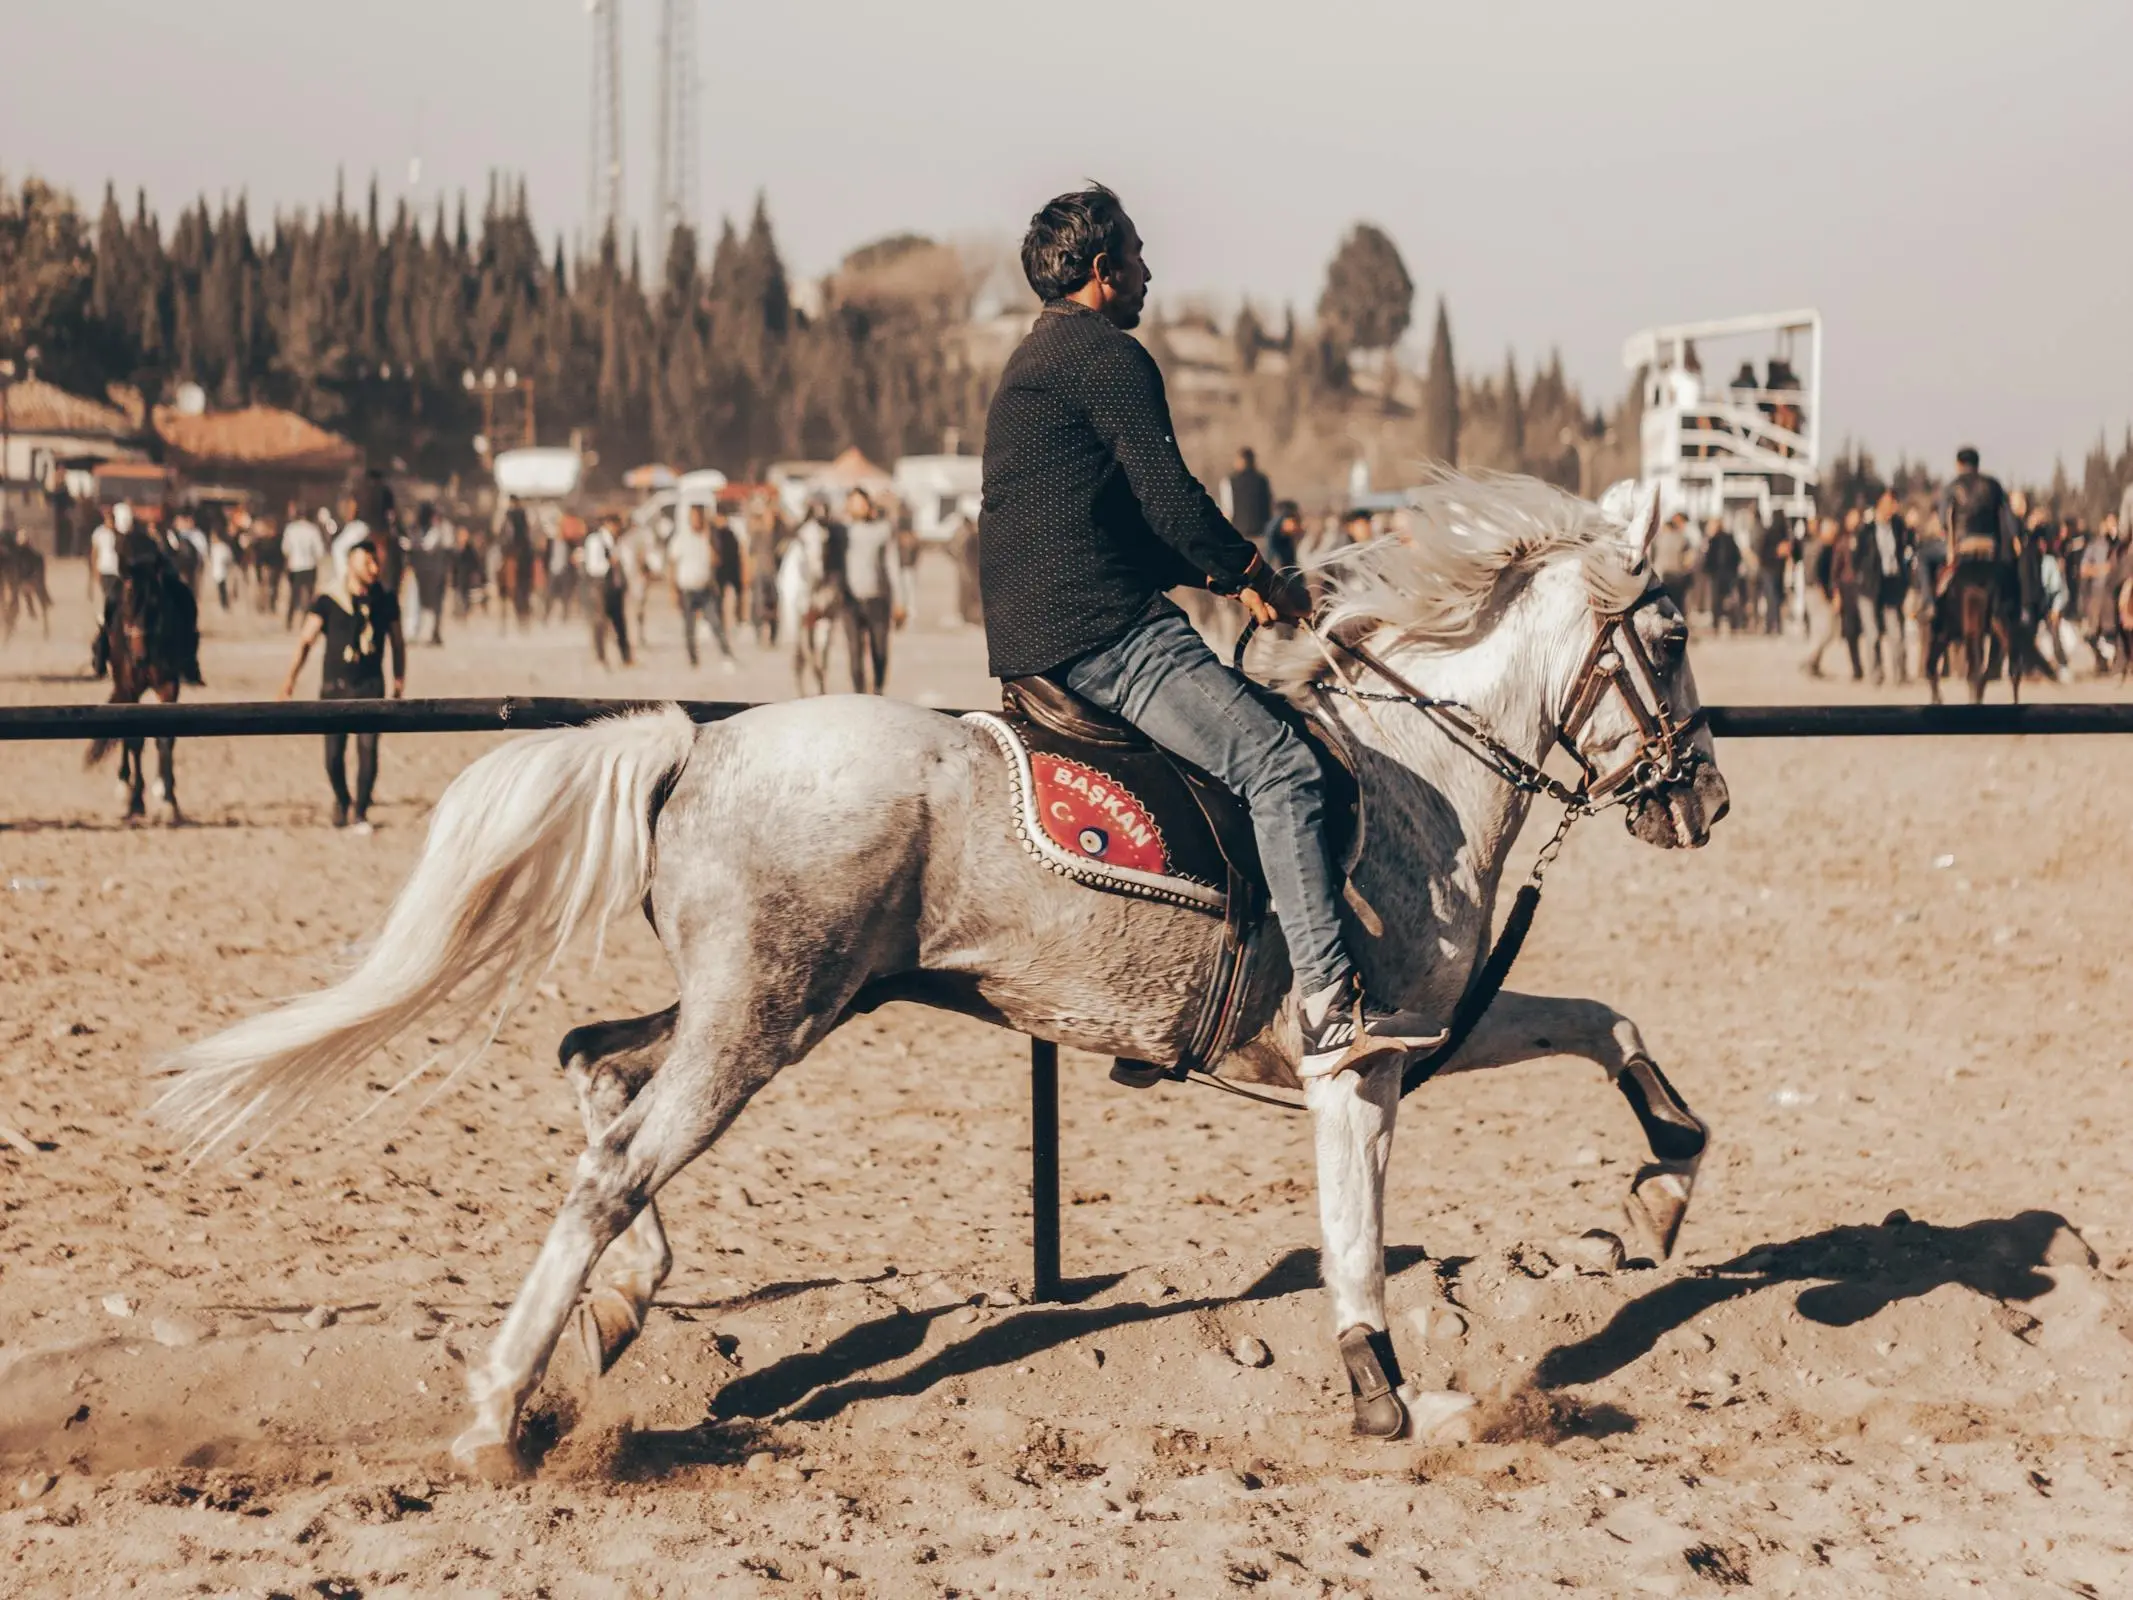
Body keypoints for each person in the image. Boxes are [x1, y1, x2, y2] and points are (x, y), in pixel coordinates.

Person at [977, 182, 1445, 1078]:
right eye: (1139, 257)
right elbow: (1172, 500)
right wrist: (1251, 574)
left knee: (1202, 774)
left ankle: (1168, 998)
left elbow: (1121, 524)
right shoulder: (1108, 356)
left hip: (1036, 632)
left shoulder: (1035, 357)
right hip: (1100, 631)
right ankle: (1333, 1007)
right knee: (1279, 766)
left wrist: (1223, 578)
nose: (1151, 274)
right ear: (1102, 271)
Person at [279, 536, 406, 834]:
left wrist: (399, 680)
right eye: (367, 562)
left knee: (368, 751)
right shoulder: (328, 599)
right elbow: (306, 641)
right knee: (333, 756)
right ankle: (341, 799)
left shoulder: (385, 600)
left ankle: (360, 811)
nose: (374, 568)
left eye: (376, 562)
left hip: (370, 686)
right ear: (350, 563)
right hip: (334, 688)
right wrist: (290, 679)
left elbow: (398, 643)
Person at [841, 487, 898, 693]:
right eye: (853, 502)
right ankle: (859, 694)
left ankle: (879, 688)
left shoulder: (882, 530)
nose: (858, 507)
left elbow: (892, 565)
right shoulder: (841, 531)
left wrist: (900, 601)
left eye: (861, 502)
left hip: (877, 598)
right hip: (849, 601)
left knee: (880, 650)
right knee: (855, 653)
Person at [671, 502, 734, 670]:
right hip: (687, 588)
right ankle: (693, 660)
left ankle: (726, 654)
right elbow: (672, 564)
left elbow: (716, 560)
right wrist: (673, 590)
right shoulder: (682, 538)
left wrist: (709, 539)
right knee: (689, 628)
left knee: (715, 622)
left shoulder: (709, 537)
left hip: (705, 588)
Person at [1860, 489, 1912, 683]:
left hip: (1891, 584)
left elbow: (1905, 550)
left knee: (1896, 633)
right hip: (1870, 586)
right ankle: (1875, 675)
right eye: (1890, 503)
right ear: (1880, 504)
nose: (1894, 507)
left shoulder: (1898, 527)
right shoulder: (1866, 530)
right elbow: (1858, 557)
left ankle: (1900, 675)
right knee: (1872, 634)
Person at [581, 513, 633, 667]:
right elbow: (593, 566)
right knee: (600, 623)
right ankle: (600, 657)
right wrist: (609, 563)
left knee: (620, 623)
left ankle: (626, 657)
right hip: (600, 586)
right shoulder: (595, 541)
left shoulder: (617, 541)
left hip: (615, 587)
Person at [409, 502, 452, 645]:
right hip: (429, 572)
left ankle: (433, 633)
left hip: (432, 572)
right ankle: (429, 633)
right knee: (429, 605)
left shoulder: (437, 530)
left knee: (433, 605)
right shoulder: (429, 530)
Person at [282, 505, 325, 626]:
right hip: (309, 566)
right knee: (309, 596)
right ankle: (305, 621)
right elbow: (319, 551)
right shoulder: (313, 530)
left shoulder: (290, 529)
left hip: (295, 566)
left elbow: (285, 549)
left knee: (294, 595)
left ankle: (289, 621)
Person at [1221, 447, 1274, 543]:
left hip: (1240, 535)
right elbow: (1270, 505)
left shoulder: (1230, 481)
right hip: (1262, 534)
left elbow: (1228, 511)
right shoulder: (1262, 480)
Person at [1700, 516, 1742, 631]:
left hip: (1722, 574)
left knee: (1723, 600)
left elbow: (1735, 555)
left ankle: (1725, 623)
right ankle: (1723, 623)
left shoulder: (1720, 539)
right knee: (1721, 599)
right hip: (1721, 574)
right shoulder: (1717, 539)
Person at [89, 503, 123, 602]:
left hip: (116, 570)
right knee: (107, 594)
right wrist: (95, 569)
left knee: (115, 595)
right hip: (103, 568)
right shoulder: (98, 533)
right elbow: (95, 553)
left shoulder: (119, 534)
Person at [208, 523, 235, 611]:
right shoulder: (214, 547)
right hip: (217, 571)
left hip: (223, 572)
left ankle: (225, 604)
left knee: (223, 589)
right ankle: (223, 604)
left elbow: (228, 559)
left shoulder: (222, 547)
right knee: (221, 589)